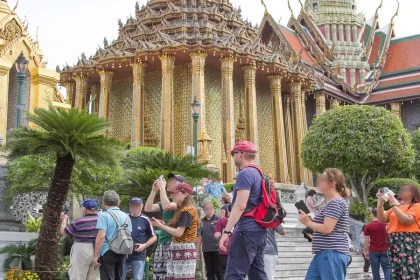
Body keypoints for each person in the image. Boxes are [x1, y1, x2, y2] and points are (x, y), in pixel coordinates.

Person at [219, 140, 268, 280]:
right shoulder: (259, 173)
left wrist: (226, 231)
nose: (233, 157)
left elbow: (240, 206)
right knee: (258, 274)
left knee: (234, 274)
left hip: (246, 229)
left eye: (234, 154)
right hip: (259, 230)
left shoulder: (245, 174)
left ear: (240, 154)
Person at [299, 168, 351, 280]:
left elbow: (327, 228)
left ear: (332, 183)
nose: (319, 181)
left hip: (331, 252)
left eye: (323, 179)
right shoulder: (332, 203)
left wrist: (309, 223)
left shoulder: (336, 202)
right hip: (324, 253)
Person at [144, 173, 187, 280]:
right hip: (162, 242)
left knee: (172, 275)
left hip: (174, 242)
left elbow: (167, 206)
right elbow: (148, 208)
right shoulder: (168, 199)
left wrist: (162, 188)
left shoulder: (182, 201)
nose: (171, 183)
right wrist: (154, 191)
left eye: (174, 181)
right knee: (160, 275)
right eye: (170, 181)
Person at [153, 183, 199, 280]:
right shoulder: (181, 210)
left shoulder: (187, 210)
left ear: (185, 194)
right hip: (177, 248)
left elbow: (179, 232)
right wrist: (164, 225)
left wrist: (161, 226)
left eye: (175, 193)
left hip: (184, 249)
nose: (172, 195)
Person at [376, 184, 420, 280]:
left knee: (409, 269)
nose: (402, 191)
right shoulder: (396, 207)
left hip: (408, 240)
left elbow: (407, 220)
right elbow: (382, 219)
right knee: (396, 270)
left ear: (413, 194)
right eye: (401, 189)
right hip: (394, 240)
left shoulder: (416, 206)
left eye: (405, 190)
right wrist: (380, 203)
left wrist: (394, 204)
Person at [93, 191, 132, 280]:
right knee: (119, 276)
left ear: (103, 203)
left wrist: (96, 256)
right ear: (118, 202)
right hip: (122, 250)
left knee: (107, 277)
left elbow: (101, 236)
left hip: (107, 250)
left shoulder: (104, 216)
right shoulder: (126, 216)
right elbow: (129, 233)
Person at [59, 199, 100, 280]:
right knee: (94, 277)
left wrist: (64, 220)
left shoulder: (79, 222)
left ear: (85, 209)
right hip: (98, 249)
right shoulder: (102, 220)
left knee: (78, 276)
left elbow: (64, 232)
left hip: (81, 249)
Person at [122, 198, 157, 280]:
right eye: (133, 205)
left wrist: (145, 245)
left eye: (137, 205)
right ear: (130, 206)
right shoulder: (124, 217)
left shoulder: (145, 219)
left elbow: (154, 236)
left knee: (137, 277)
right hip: (123, 252)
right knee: (120, 276)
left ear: (141, 207)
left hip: (138, 253)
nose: (134, 207)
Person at [197, 202, 221, 280]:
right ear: (204, 210)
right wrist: (197, 250)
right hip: (206, 250)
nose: (208, 211)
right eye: (206, 209)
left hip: (217, 249)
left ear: (213, 209)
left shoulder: (218, 220)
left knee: (218, 270)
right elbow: (200, 236)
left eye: (210, 209)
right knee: (209, 271)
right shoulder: (201, 222)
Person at [364, 208, 389, 280]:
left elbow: (366, 240)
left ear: (372, 214)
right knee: (387, 268)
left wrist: (365, 250)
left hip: (373, 250)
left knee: (375, 270)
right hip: (385, 249)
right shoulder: (385, 225)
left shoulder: (368, 226)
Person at [214, 216, 231, 280]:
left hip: (224, 250)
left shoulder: (222, 219)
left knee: (224, 272)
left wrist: (221, 235)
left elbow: (216, 234)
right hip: (234, 250)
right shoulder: (240, 217)